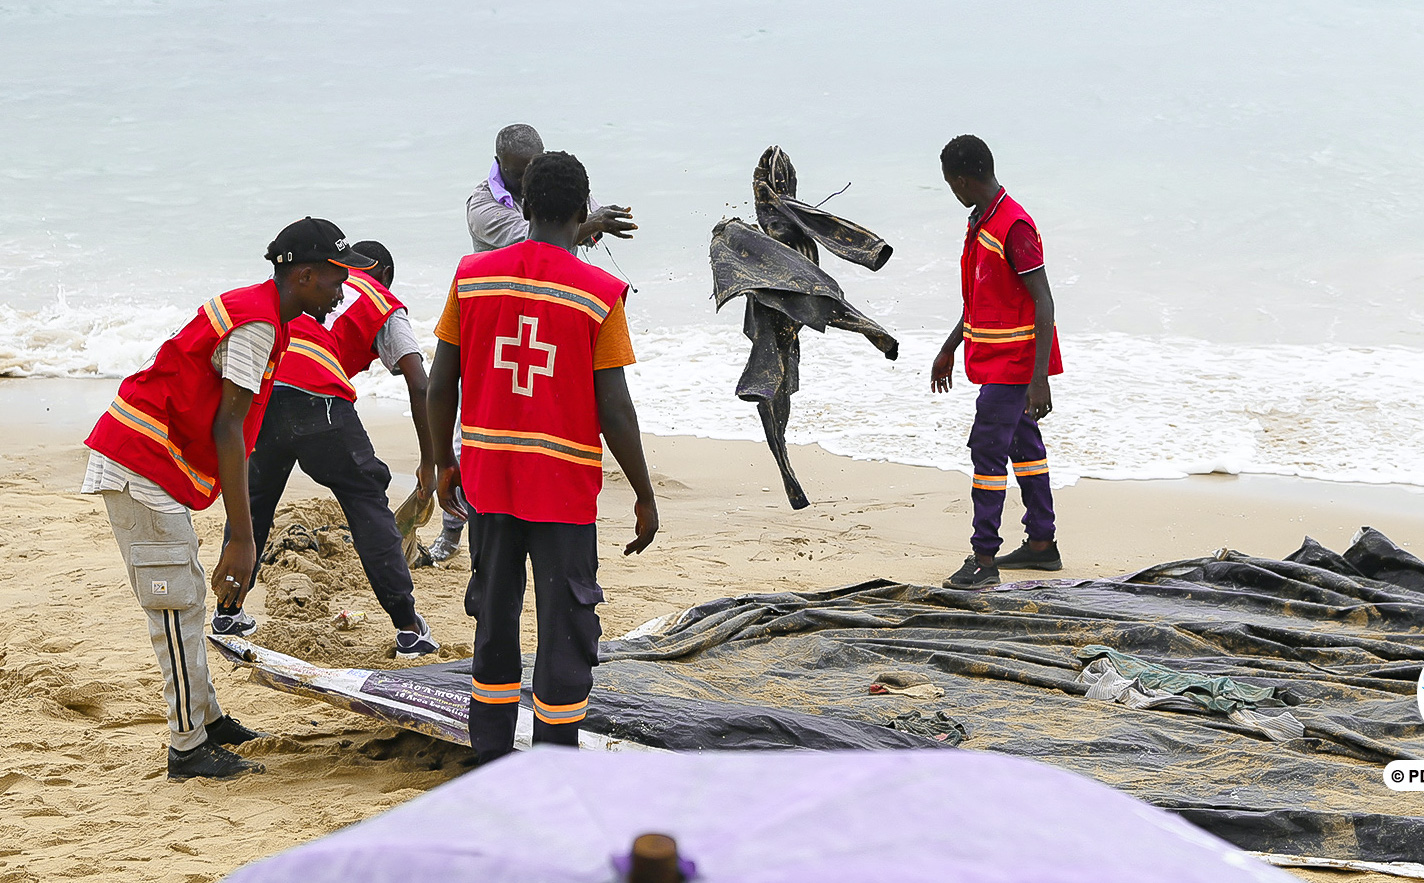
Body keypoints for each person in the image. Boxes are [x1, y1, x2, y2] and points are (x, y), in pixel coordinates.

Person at [82, 217, 370, 779]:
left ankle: (207, 719)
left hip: (151, 456)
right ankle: (187, 748)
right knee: (173, 604)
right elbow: (229, 427)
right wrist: (243, 537)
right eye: (337, 277)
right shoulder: (259, 323)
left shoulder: (263, 310)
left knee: (184, 594)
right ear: (305, 274)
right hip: (139, 460)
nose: (343, 289)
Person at [428, 150, 658, 766]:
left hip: (488, 480)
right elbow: (615, 409)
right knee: (566, 625)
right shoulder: (600, 292)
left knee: (495, 618)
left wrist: (439, 462)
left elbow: (440, 380)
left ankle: (490, 755)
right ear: (584, 212)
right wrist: (643, 491)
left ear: (524, 206)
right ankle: (555, 758)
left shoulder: (471, 277)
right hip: (561, 488)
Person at [210, 240, 440, 658]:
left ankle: (228, 611)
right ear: (384, 275)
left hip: (267, 393)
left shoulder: (299, 289)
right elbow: (421, 383)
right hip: (322, 405)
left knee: (254, 501)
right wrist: (430, 459)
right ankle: (409, 628)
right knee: (366, 500)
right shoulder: (384, 301)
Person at [432, 124, 641, 563]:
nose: (529, 180)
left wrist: (597, 221)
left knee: (534, 421)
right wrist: (589, 222)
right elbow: (532, 237)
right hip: (504, 312)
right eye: (522, 172)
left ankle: (490, 517)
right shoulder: (481, 207)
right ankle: (452, 528)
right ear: (502, 167)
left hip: (554, 309)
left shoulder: (552, 200)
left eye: (535, 171)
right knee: (471, 431)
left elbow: (571, 219)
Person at [931, 135, 1064, 589]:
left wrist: (1039, 378)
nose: (953, 192)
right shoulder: (982, 221)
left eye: (951, 184)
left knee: (987, 450)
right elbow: (981, 297)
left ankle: (983, 560)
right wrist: (951, 346)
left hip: (1017, 365)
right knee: (1025, 448)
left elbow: (1044, 302)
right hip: (996, 361)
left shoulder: (1013, 226)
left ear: (964, 181)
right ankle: (1042, 546)